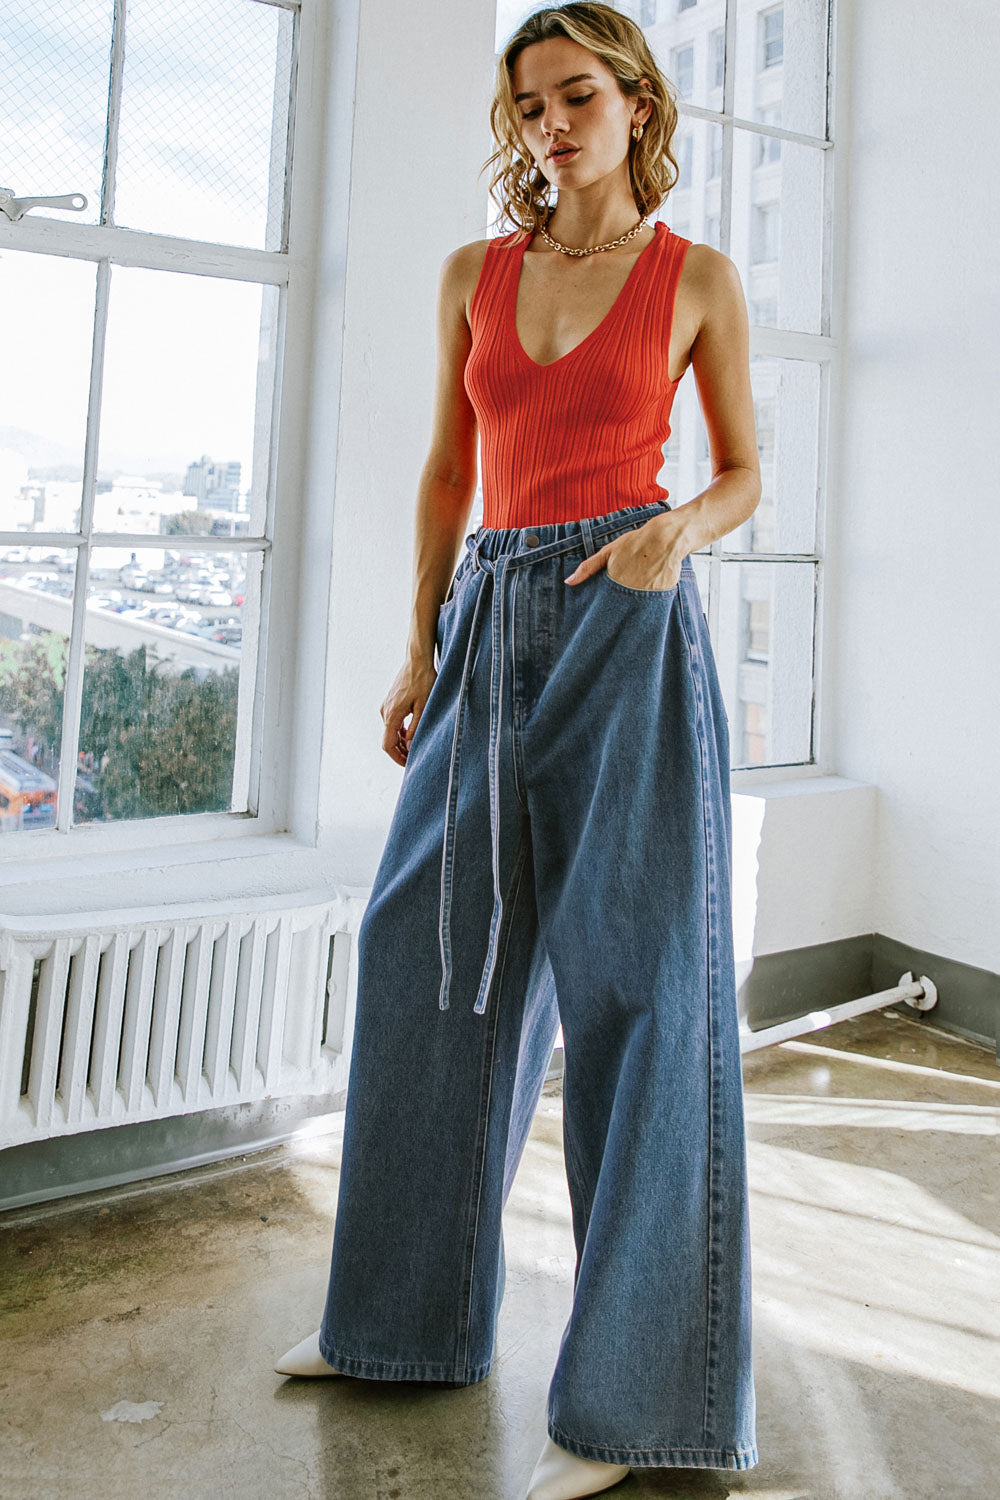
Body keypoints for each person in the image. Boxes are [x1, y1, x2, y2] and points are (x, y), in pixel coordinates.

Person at [276, 4, 760, 1496]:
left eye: (576, 97)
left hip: (627, 619)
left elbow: (744, 475)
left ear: (634, 103)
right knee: (432, 961)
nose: (551, 125)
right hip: (490, 618)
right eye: (529, 105)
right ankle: (399, 1327)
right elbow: (445, 469)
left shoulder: (696, 281)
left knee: (639, 987)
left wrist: (671, 534)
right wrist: (421, 643)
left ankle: (634, 1409)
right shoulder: (475, 276)